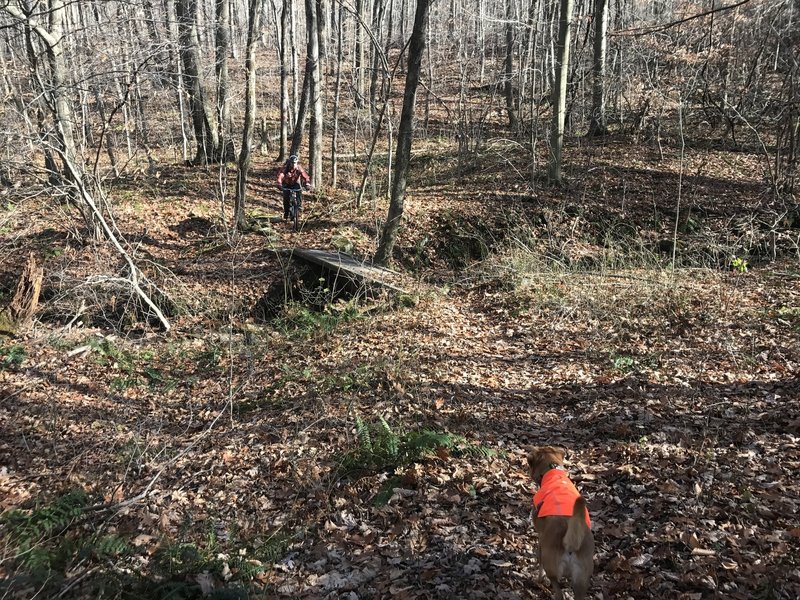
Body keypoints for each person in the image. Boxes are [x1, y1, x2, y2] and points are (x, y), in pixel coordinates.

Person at [276, 154, 311, 220]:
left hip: (295, 183)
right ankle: (286, 212)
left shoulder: (299, 168)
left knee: (299, 192)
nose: (294, 164)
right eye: (292, 163)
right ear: (289, 162)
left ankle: (299, 208)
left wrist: (307, 184)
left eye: (295, 163)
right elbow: (280, 176)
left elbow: (305, 176)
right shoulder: (285, 168)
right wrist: (279, 184)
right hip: (286, 184)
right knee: (286, 197)